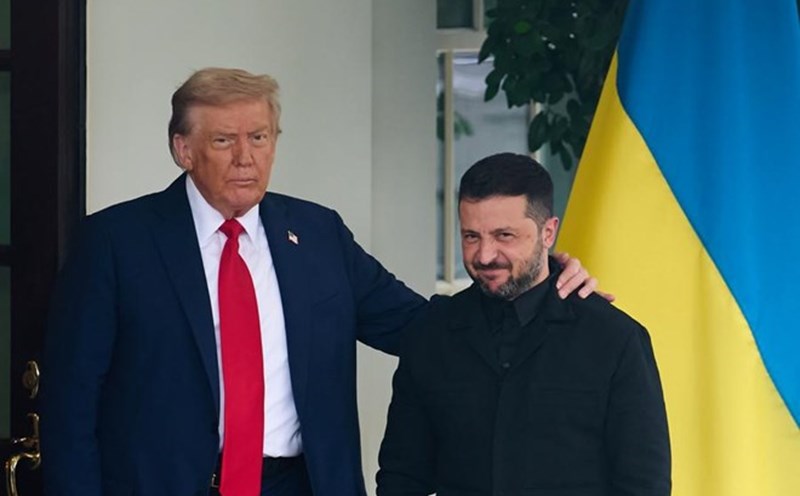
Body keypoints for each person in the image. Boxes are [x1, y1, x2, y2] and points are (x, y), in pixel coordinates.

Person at [40, 69, 598, 496]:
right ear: (182, 149)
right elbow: (71, 405)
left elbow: (425, 327)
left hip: (300, 484)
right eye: (223, 141)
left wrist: (539, 280)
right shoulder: (116, 243)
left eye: (259, 137)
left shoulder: (317, 233)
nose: (245, 158)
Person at [377, 153, 671, 496]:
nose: (485, 255)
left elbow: (643, 485)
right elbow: (402, 476)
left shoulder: (615, 339)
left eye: (504, 236)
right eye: (471, 236)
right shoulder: (430, 334)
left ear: (548, 232)